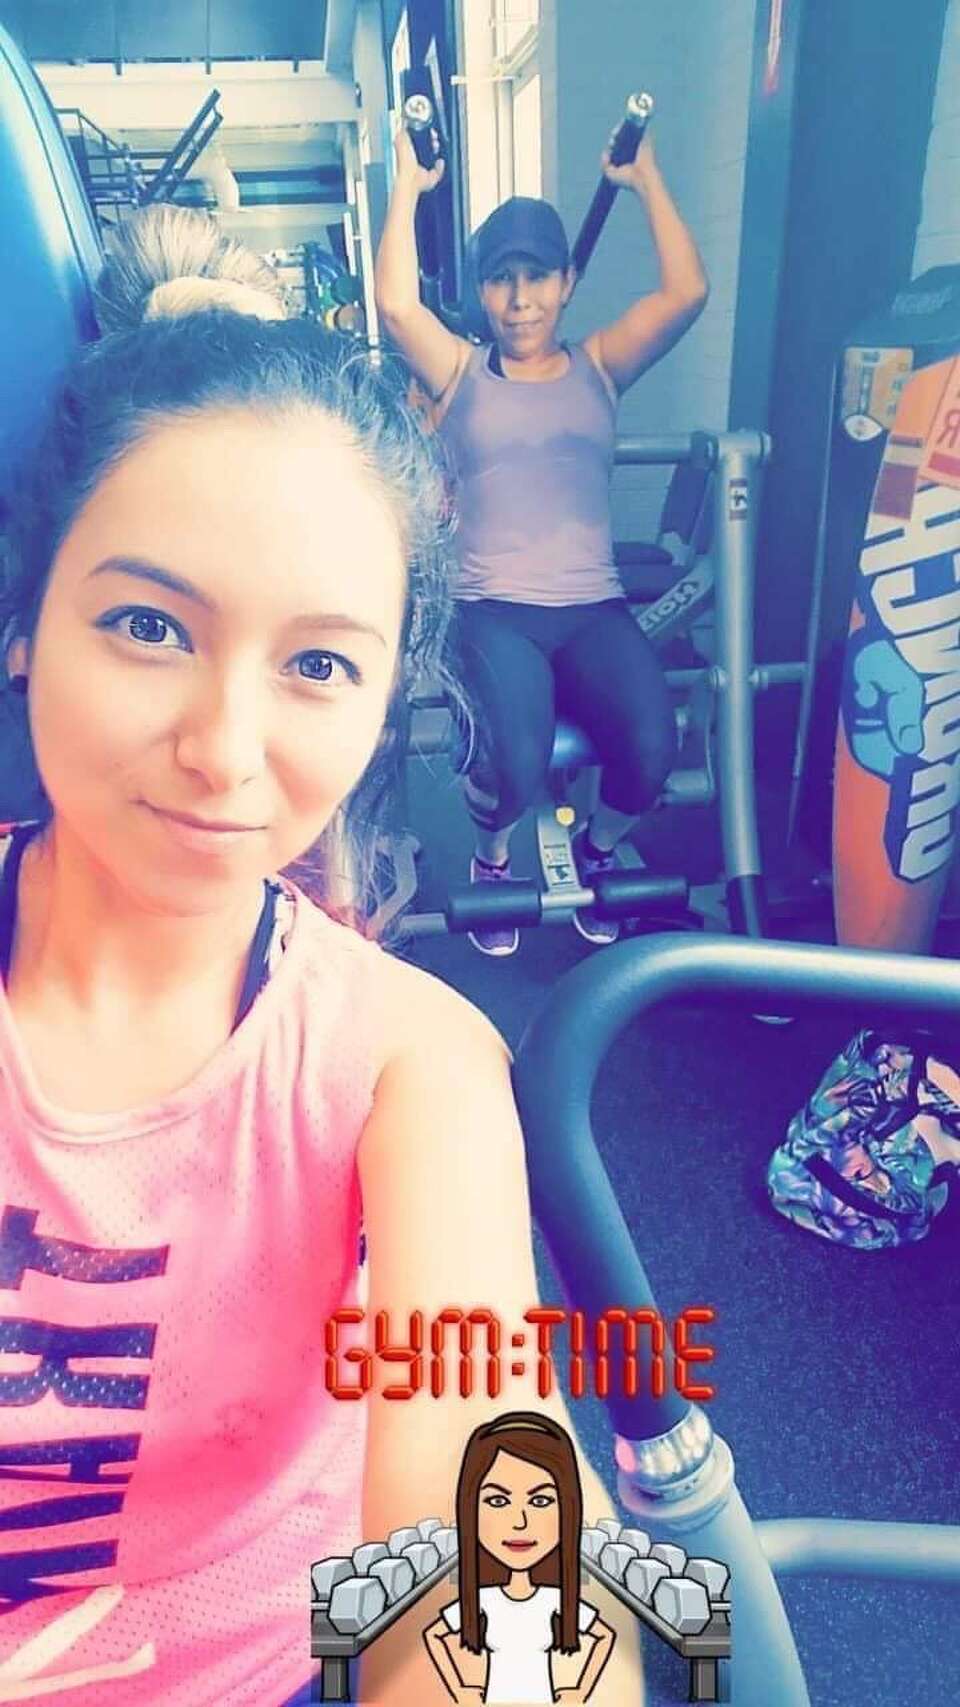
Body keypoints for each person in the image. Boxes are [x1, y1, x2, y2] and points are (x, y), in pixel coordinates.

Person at [0, 207, 642, 1705]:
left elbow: (489, 1510)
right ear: (26, 621)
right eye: (149, 625)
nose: (225, 749)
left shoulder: (407, 1065)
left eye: (318, 663)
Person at [375, 125, 708, 954]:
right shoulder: (458, 370)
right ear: (484, 293)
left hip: (593, 608)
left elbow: (687, 293)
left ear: (566, 284)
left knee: (653, 744)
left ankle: (598, 848)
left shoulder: (602, 365)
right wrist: (409, 186)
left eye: (537, 278)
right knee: (515, 757)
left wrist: (646, 178)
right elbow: (396, 307)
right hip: (492, 609)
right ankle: (493, 861)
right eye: (501, 280)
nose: (519, 299)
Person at [422, 1413, 616, 1705]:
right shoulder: (485, 1600)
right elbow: (433, 1635)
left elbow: (604, 1636)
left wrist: (579, 1691)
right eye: (498, 1501)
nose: (520, 1522)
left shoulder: (552, 1599)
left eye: (540, 1501)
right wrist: (461, 1690)